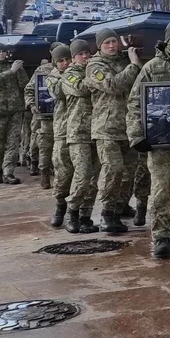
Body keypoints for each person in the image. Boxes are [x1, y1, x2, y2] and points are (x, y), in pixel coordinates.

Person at [128, 24, 170, 257]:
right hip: (158, 143)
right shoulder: (152, 67)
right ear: (166, 40)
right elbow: (135, 102)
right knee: (160, 188)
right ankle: (160, 236)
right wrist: (137, 134)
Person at [87, 28, 142, 234]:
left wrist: (133, 60)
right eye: (107, 43)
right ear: (100, 46)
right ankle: (107, 213)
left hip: (128, 127)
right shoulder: (95, 66)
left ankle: (121, 205)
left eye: (114, 42)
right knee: (113, 169)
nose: (111, 46)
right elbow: (112, 85)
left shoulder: (124, 60)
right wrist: (134, 65)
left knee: (130, 171)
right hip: (106, 129)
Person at [60, 40, 99, 232]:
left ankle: (85, 216)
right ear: (74, 57)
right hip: (78, 132)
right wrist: (96, 78)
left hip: (97, 130)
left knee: (93, 180)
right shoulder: (69, 74)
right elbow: (81, 89)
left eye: (88, 53)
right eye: (81, 54)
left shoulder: (92, 70)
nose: (86, 57)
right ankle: (72, 212)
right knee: (82, 175)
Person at [0, 44, 29, 183]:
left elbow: (24, 83)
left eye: (3, 52)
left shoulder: (12, 66)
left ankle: (9, 172)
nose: (2, 54)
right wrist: (11, 71)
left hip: (15, 109)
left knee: (13, 142)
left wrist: (19, 70)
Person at [46, 43, 74, 228]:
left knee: (83, 175)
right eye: (61, 61)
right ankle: (60, 207)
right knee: (63, 172)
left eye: (67, 59)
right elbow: (58, 92)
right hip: (63, 131)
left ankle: (76, 212)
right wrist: (69, 73)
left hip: (82, 130)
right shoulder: (52, 77)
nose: (65, 63)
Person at [26, 58, 54, 186]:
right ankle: (43, 172)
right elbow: (29, 90)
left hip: (67, 117)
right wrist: (32, 105)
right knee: (44, 146)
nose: (64, 62)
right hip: (45, 117)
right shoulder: (43, 70)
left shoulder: (72, 68)